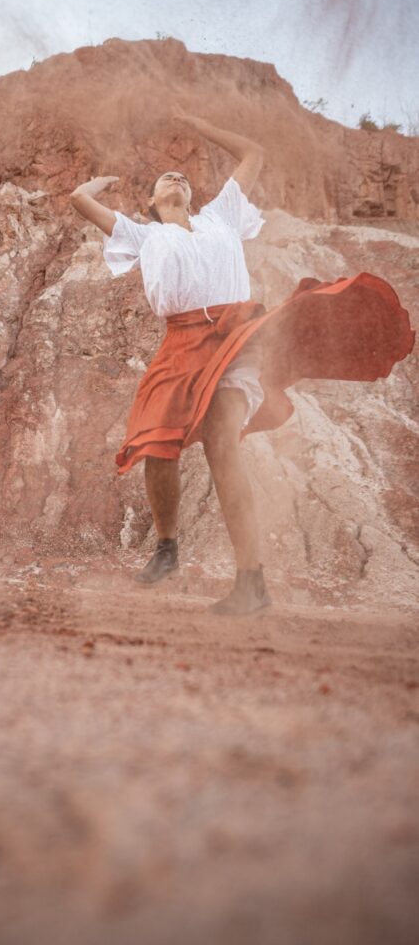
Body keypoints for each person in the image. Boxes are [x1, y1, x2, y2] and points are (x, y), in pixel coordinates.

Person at [69, 112, 415, 615]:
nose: (179, 178)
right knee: (154, 440)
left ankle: (250, 582)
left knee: (221, 440)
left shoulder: (220, 217)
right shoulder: (142, 235)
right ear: (149, 202)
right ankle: (167, 547)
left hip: (236, 339)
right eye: (168, 178)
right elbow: (81, 200)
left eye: (184, 177)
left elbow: (254, 153)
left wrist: (197, 123)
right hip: (180, 341)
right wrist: (105, 181)